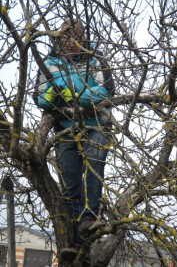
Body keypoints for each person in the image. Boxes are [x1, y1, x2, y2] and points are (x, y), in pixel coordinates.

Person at [34, 18, 115, 262]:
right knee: (69, 181)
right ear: (59, 40)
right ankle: (73, 241)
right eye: (65, 38)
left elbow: (107, 91)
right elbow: (40, 97)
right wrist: (52, 96)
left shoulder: (95, 60)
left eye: (75, 38)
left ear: (82, 39)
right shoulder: (49, 64)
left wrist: (76, 96)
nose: (71, 43)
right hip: (64, 128)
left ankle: (88, 221)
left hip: (96, 124)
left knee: (94, 165)